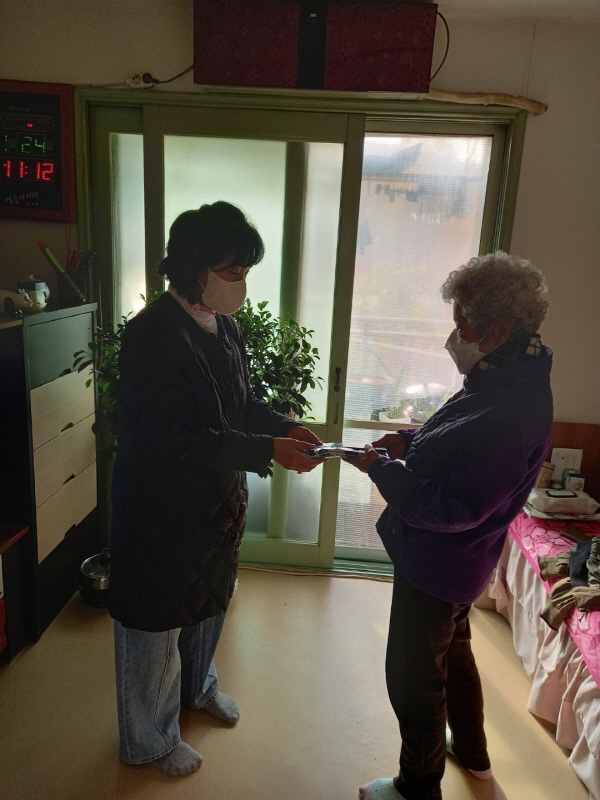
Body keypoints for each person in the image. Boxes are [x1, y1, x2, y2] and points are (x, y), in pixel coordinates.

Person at [109, 201, 323, 776]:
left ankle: (196, 689)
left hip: (214, 501)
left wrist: (283, 429)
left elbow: (241, 405)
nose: (242, 283)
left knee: (208, 600)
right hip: (158, 506)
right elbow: (175, 436)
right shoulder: (152, 333)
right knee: (155, 621)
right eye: (233, 271)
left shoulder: (224, 327)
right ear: (194, 267)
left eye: (246, 271)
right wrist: (266, 451)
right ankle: (148, 739)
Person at [346, 252, 553, 800]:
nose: (453, 336)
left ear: (497, 330)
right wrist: (406, 441)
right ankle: (474, 755)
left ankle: (416, 787)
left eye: (462, 324)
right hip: (459, 566)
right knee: (455, 658)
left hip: (438, 565)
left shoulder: (511, 411)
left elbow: (454, 507)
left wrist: (382, 470)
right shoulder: (502, 379)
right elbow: (456, 443)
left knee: (414, 678)